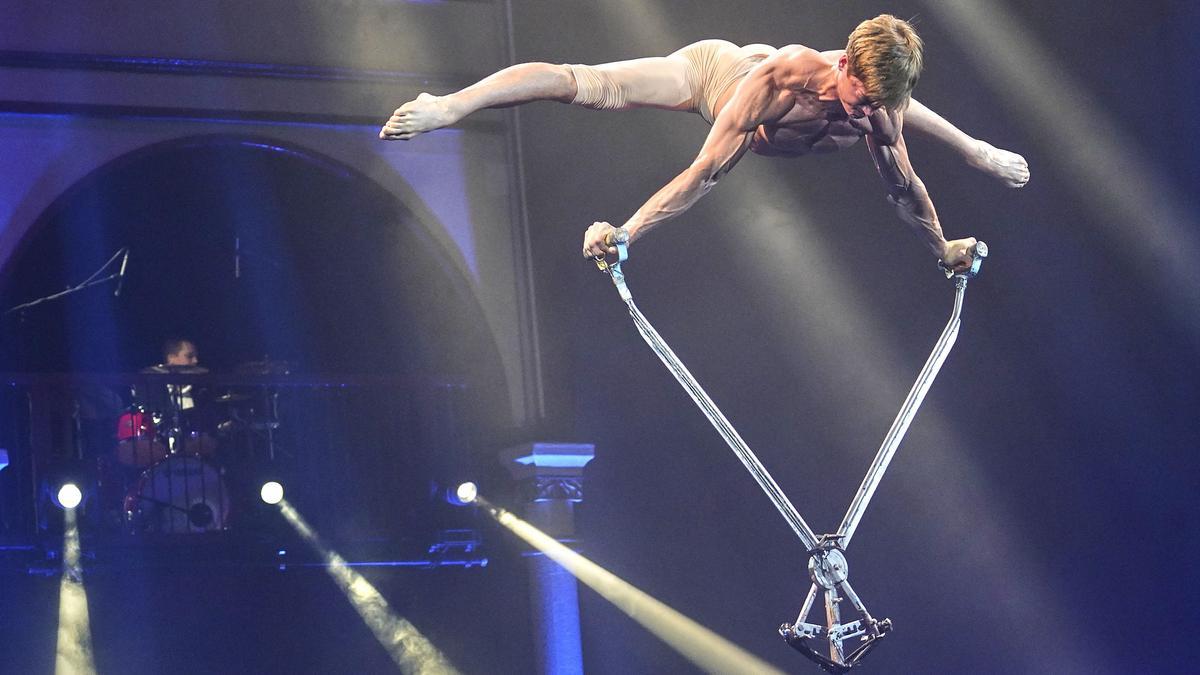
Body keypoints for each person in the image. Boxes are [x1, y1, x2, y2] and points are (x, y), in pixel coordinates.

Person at [379, 15, 1028, 273]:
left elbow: (904, 187)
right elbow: (704, 173)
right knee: (588, 84)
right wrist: (628, 231)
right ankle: (451, 104)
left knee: (903, 147)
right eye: (865, 98)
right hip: (719, 72)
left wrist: (943, 245)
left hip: (799, 103)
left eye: (886, 104)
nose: (874, 114)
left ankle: (975, 148)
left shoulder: (881, 111)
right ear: (843, 70)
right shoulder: (782, 83)